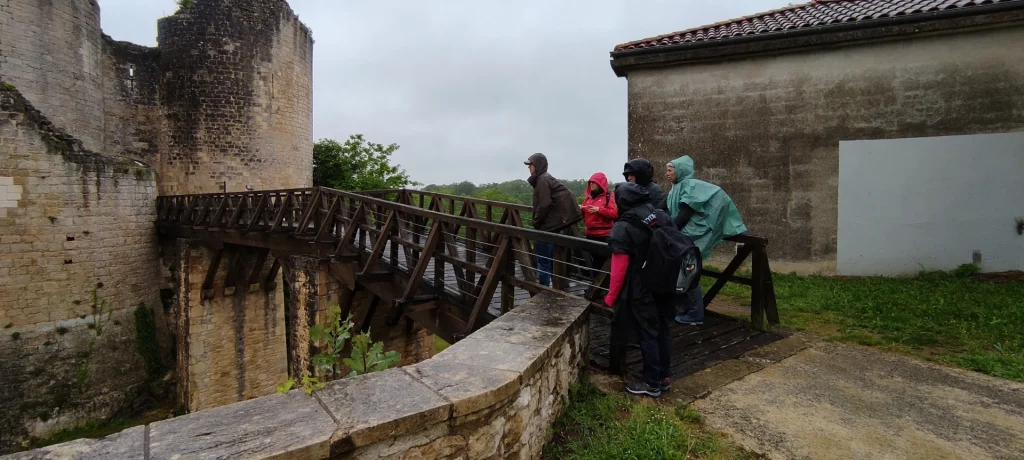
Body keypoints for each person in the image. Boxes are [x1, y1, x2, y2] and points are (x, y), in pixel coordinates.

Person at [603, 182, 674, 398]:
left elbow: (619, 267)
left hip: (643, 287)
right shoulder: (659, 215)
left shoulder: (624, 227)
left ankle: (652, 383)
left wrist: (611, 297)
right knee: (663, 329)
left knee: (647, 334)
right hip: (665, 282)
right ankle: (664, 378)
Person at [665, 155, 747, 325]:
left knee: (689, 273)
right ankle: (686, 309)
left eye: (670, 169)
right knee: (684, 272)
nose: (667, 173)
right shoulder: (677, 187)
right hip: (684, 236)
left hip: (689, 237)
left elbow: (685, 213)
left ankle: (695, 314)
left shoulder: (689, 185)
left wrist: (670, 232)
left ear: (680, 170)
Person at [524, 153, 581, 287]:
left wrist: (536, 222)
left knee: (543, 261)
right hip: (551, 226)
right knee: (548, 260)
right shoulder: (544, 179)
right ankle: (551, 285)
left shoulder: (543, 180)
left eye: (531, 165)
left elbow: (544, 204)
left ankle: (543, 289)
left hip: (546, 227)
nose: (529, 168)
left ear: (537, 165)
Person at [580, 172, 617, 277]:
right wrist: (581, 209)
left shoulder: (609, 196)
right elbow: (585, 212)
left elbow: (614, 213)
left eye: (594, 182)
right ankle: (597, 286)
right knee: (593, 262)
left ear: (601, 183)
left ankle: (597, 288)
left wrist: (599, 210)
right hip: (590, 234)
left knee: (600, 263)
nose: (591, 184)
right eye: (590, 182)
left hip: (604, 236)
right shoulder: (588, 198)